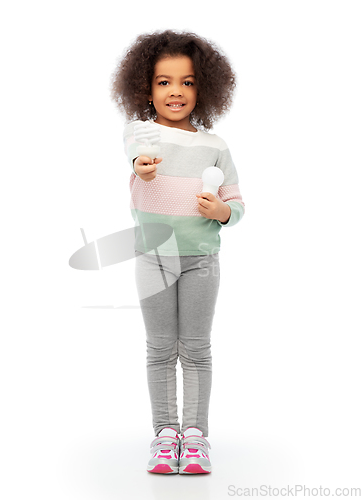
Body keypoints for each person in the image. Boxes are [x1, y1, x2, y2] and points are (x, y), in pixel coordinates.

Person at [109, 30, 245, 474]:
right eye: (164, 81)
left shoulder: (216, 146)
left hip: (202, 260)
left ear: (204, 87)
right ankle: (166, 435)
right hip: (153, 258)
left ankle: (197, 437)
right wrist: (141, 169)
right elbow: (137, 156)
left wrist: (224, 211)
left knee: (197, 348)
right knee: (160, 348)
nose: (176, 91)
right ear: (145, 87)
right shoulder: (140, 134)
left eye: (187, 82)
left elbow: (238, 204)